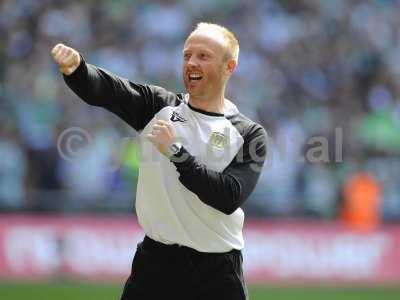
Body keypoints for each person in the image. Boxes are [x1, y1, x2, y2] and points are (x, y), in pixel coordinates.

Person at [51, 22, 267, 300]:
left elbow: (227, 196)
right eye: (187, 55)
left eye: (203, 56)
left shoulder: (248, 133)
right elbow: (107, 90)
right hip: (156, 263)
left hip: (217, 271)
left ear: (229, 67)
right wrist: (78, 70)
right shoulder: (159, 106)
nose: (191, 62)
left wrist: (177, 153)